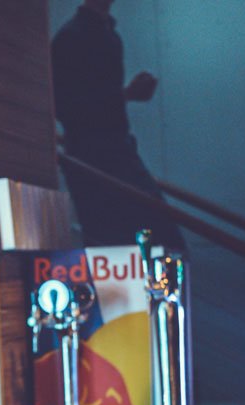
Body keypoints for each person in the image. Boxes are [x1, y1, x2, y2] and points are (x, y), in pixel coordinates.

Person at [52, 0, 186, 253]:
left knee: (147, 237)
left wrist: (125, 96)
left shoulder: (106, 35)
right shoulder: (74, 37)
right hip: (93, 155)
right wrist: (125, 95)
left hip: (111, 150)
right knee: (134, 237)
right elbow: (64, 106)